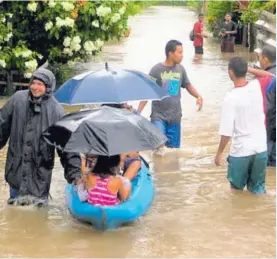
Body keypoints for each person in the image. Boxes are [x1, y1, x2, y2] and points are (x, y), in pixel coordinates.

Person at [0, 68, 81, 206]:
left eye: (40, 84)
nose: (35, 87)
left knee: (38, 215)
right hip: (16, 170)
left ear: (48, 87)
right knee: (14, 210)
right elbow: (2, 125)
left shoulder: (56, 111)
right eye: (34, 83)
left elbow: (67, 146)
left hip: (40, 176)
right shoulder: (17, 99)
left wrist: (75, 175)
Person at [138, 40, 203, 152]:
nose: (182, 56)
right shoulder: (156, 70)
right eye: (179, 52)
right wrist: (138, 112)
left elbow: (187, 85)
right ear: (170, 53)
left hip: (175, 116)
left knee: (173, 152)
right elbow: (147, 91)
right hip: (158, 116)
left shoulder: (180, 69)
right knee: (159, 147)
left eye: (182, 52)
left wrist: (198, 96)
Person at [215, 57, 267, 194]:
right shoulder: (257, 86)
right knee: (258, 191)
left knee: (236, 192)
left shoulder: (230, 98)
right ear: (245, 70)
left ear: (230, 72)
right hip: (261, 149)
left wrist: (219, 153)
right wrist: (246, 69)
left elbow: (226, 132)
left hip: (241, 152)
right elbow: (272, 76)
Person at [248, 45, 276, 167]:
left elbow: (267, 107)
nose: (259, 59)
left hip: (271, 127)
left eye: (259, 57)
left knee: (267, 161)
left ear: (264, 58)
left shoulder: (268, 78)